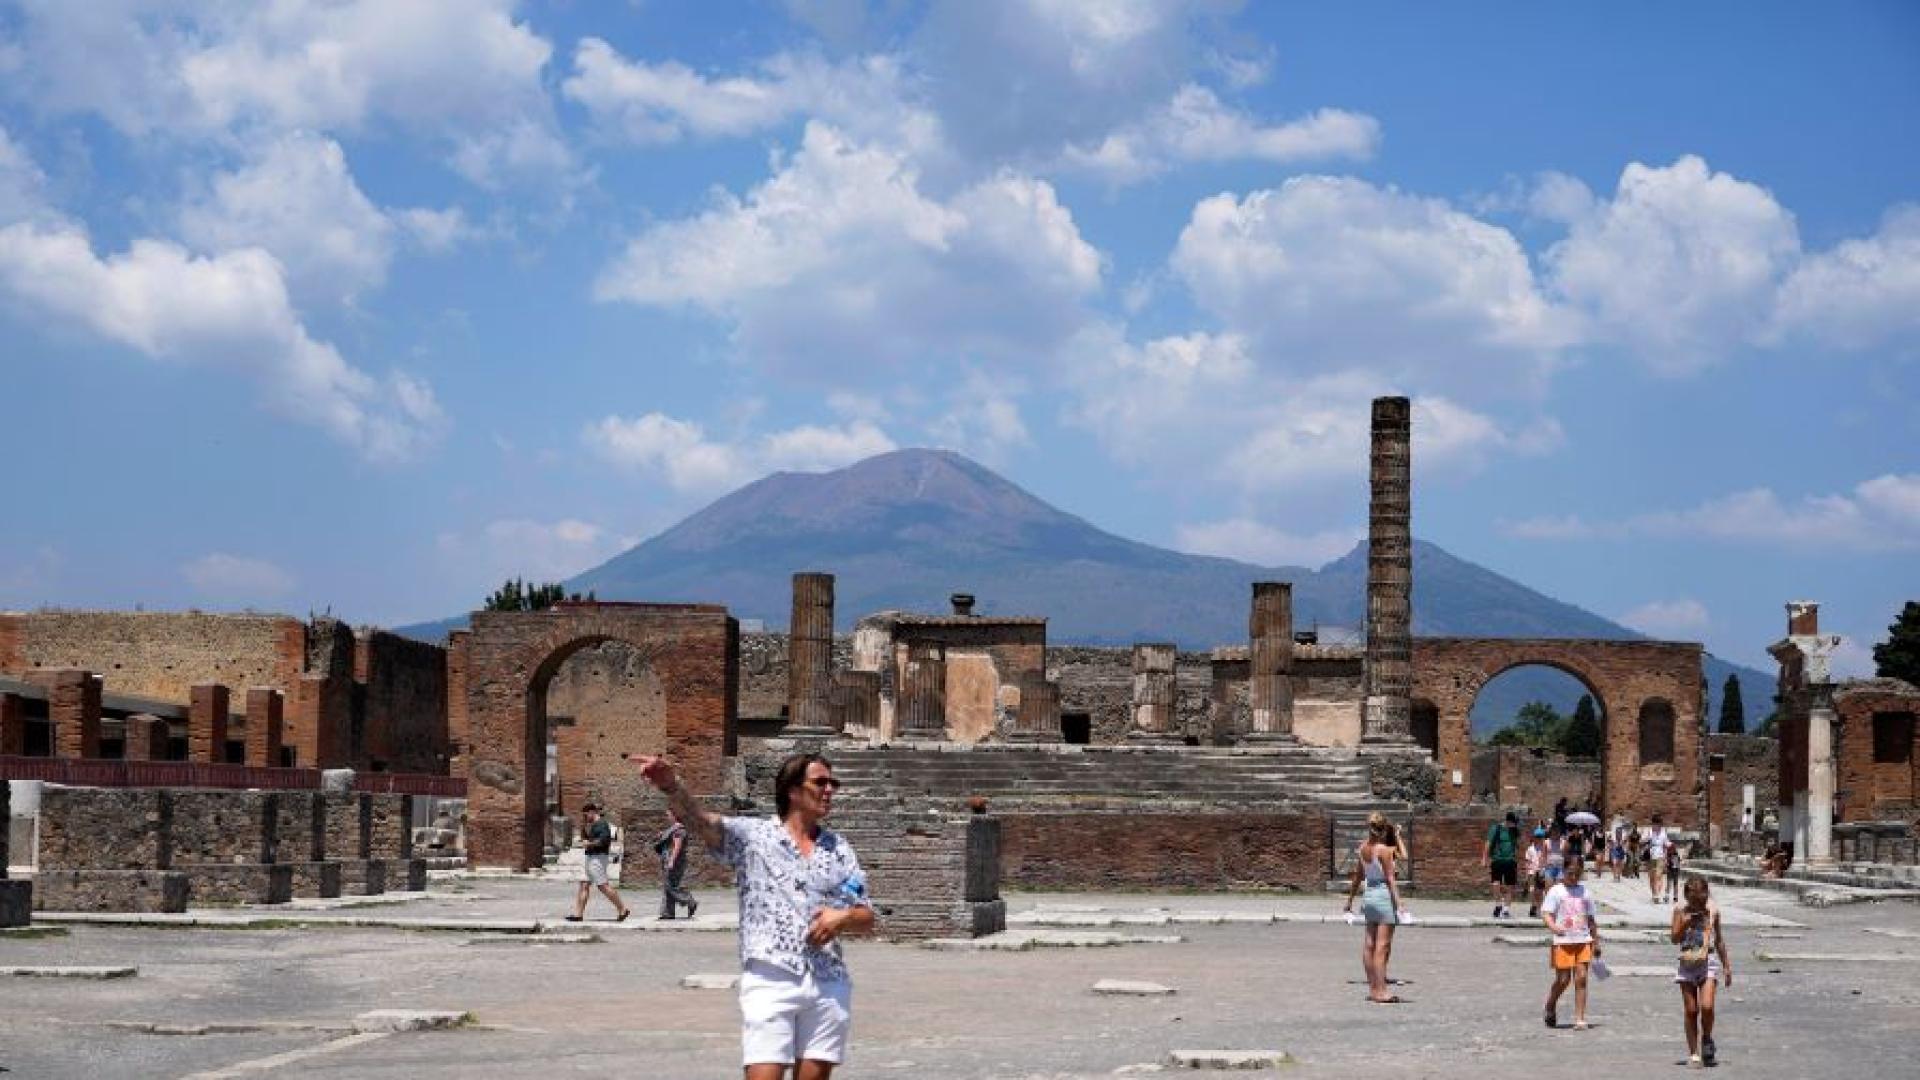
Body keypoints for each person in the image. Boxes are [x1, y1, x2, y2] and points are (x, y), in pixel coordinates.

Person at [634, 752, 876, 1080]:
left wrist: (842, 918)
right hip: (770, 976)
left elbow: (866, 915)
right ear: (792, 790)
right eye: (820, 782)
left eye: (833, 783)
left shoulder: (839, 849)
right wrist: (672, 786)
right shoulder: (753, 837)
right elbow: (700, 822)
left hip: (827, 980)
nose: (830, 789)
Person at [1342, 812, 1406, 1004]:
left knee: (1369, 943)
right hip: (1383, 897)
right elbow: (1390, 878)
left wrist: (1350, 900)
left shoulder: (1362, 848)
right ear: (1384, 829)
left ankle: (1373, 989)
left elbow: (1358, 877)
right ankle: (1382, 990)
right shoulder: (1384, 850)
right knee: (1382, 946)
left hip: (1368, 897)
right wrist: (1400, 903)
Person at [1671, 876, 1732, 1068]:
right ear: (1687, 898)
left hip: (1708, 962)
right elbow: (1674, 938)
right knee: (1691, 1010)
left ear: (1707, 895)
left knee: (1707, 1007)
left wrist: (1727, 966)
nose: (1698, 904)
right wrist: (1686, 923)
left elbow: (1719, 939)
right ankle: (1694, 1053)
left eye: (1702, 900)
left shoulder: (1713, 911)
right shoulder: (1680, 911)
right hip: (1687, 963)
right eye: (1694, 901)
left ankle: (1706, 1037)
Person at [1541, 857, 1601, 1030]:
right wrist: (1553, 927)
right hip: (1563, 940)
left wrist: (1596, 941)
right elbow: (1546, 913)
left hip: (1583, 940)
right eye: (1570, 873)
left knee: (1581, 978)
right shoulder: (1556, 891)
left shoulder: (1585, 892)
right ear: (1563, 871)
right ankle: (1550, 1004)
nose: (1573, 877)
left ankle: (1580, 1018)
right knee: (1563, 979)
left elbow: (1591, 919)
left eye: (1577, 874)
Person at [567, 803, 633, 923]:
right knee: (584, 884)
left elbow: (603, 840)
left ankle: (622, 909)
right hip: (589, 857)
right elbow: (586, 839)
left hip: (598, 858)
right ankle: (578, 914)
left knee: (603, 886)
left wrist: (589, 844)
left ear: (592, 812)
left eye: (586, 815)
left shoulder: (602, 824)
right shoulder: (592, 825)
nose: (585, 817)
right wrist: (583, 827)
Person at [654, 808, 699, 920]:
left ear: (675, 816)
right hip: (669, 860)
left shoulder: (679, 830)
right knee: (668, 885)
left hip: (675, 861)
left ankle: (690, 901)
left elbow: (677, 846)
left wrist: (672, 860)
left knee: (671, 886)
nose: (667, 817)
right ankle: (667, 913)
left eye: (669, 815)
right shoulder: (673, 829)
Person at [1483, 811, 1523, 919]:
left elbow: (1518, 844)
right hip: (1497, 860)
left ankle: (1506, 910)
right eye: (1514, 823)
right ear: (1509, 821)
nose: (1516, 825)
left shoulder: (1515, 831)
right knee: (1496, 884)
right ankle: (1498, 905)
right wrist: (1484, 859)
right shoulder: (1496, 829)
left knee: (1510, 886)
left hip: (1510, 861)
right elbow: (1488, 844)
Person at [1522, 827, 1550, 918]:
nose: (1539, 838)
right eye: (1537, 837)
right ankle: (1534, 906)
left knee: (1540, 891)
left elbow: (1547, 859)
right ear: (1534, 837)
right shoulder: (1530, 849)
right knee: (1532, 890)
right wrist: (1527, 874)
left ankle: (1539, 908)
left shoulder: (1545, 847)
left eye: (1541, 837)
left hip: (1541, 871)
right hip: (1532, 871)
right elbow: (1527, 862)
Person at [1646, 815, 1672, 903]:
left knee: (1658, 875)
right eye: (1655, 824)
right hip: (1650, 856)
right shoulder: (1649, 831)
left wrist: (1670, 846)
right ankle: (1654, 893)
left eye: (1658, 824)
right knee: (1651, 877)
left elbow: (1666, 843)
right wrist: (1646, 840)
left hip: (1660, 856)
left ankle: (1657, 895)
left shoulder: (1663, 832)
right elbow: (1642, 841)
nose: (1656, 826)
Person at [1664, 835, 1684, 904]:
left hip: (1672, 870)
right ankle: (1673, 897)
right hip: (1674, 870)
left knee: (1670, 883)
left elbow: (1675, 864)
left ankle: (1670, 896)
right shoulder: (1674, 854)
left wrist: (1668, 864)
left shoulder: (1673, 854)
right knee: (1673, 884)